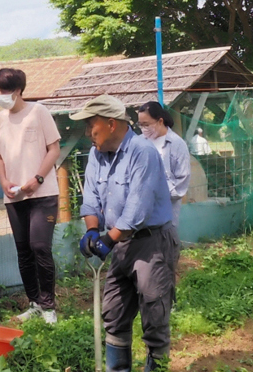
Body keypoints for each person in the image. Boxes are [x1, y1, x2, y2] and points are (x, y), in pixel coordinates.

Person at [73, 95, 180, 371]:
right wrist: (92, 230)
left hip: (151, 242)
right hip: (122, 243)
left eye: (90, 125)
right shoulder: (97, 154)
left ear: (110, 124)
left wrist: (109, 238)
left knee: (154, 314)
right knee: (114, 312)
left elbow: (138, 207)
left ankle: (157, 365)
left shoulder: (142, 152)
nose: (87, 132)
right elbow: (91, 197)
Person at [0, 68, 61, 324]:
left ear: (18, 90)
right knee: (24, 251)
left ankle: (49, 305)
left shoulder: (38, 111)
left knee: (40, 247)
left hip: (43, 193)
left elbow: (54, 149)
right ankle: (34, 303)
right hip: (15, 196)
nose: (0, 96)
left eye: (4, 90)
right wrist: (5, 182)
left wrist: (37, 179)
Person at [138, 101, 191, 227]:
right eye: (140, 125)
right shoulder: (139, 142)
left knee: (164, 240)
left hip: (167, 209)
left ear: (160, 121)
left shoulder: (177, 144)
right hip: (141, 208)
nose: (143, 129)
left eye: (146, 125)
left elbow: (182, 180)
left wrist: (160, 193)